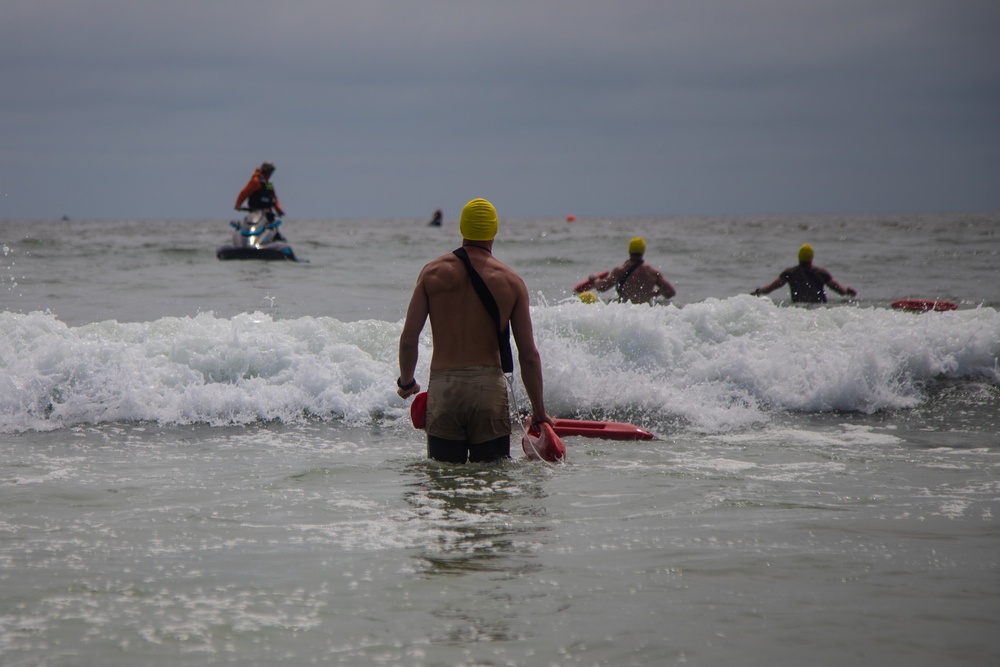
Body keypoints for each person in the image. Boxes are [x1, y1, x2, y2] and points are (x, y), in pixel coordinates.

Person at [397, 198, 554, 463]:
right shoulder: (512, 281)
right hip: (488, 392)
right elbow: (529, 356)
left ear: (462, 228)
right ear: (493, 231)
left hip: (445, 390)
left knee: (444, 486)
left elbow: (408, 340)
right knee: (491, 487)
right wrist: (539, 413)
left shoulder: (431, 273)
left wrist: (407, 382)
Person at [752, 244, 857, 303]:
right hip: (819, 309)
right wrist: (848, 290)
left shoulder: (790, 273)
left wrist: (756, 292)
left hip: (799, 311)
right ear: (811, 258)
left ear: (799, 257)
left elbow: (769, 289)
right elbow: (840, 291)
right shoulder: (822, 273)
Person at [587, 237, 676, 304]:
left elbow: (602, 287)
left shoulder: (621, 270)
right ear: (643, 251)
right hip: (647, 315)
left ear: (629, 251)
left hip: (627, 314)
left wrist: (595, 279)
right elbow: (670, 292)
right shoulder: (653, 272)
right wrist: (653, 294)